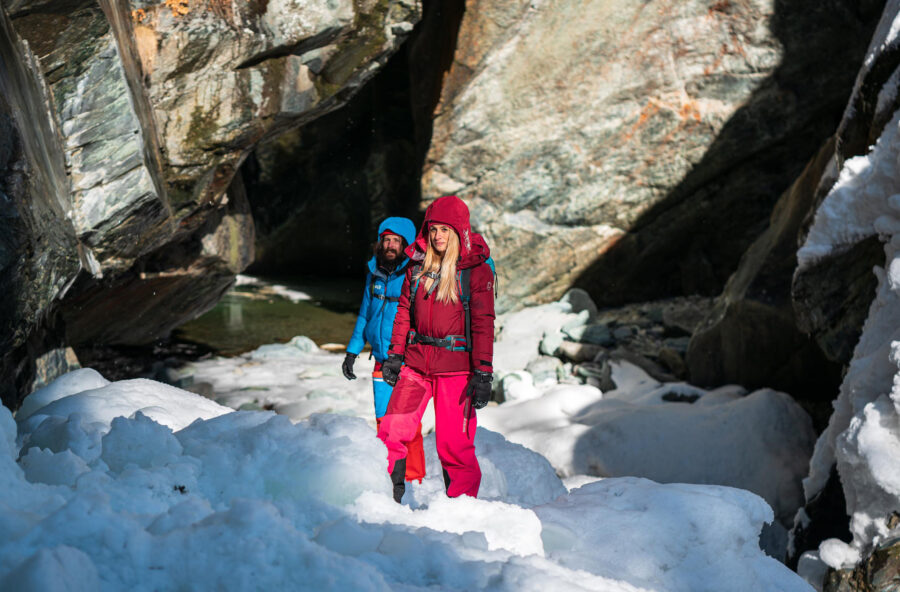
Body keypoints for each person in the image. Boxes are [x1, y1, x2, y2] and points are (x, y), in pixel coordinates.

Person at [378, 195, 495, 503]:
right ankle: (388, 501)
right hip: (416, 368)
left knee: (454, 446)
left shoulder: (476, 272)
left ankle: (462, 509)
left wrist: (483, 373)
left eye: (445, 229)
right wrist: (394, 355)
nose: (438, 236)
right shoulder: (416, 268)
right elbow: (403, 312)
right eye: (433, 229)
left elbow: (484, 324)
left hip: (457, 371)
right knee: (391, 432)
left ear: (458, 232)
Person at [343, 217, 426, 483]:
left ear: (406, 244)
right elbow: (365, 314)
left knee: (406, 424)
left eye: (396, 241)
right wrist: (353, 351)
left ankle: (414, 478)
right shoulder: (374, 272)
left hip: (406, 361)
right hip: (380, 359)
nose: (390, 245)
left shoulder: (416, 272)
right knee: (383, 420)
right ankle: (389, 476)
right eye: (386, 239)